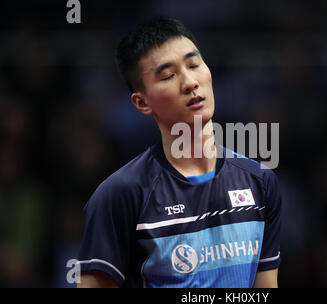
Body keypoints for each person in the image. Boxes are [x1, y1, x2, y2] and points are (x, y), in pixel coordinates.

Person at [77, 17, 282, 288]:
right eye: (168, 76)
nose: (190, 82)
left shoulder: (260, 182)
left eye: (194, 64)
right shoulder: (119, 195)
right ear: (142, 102)